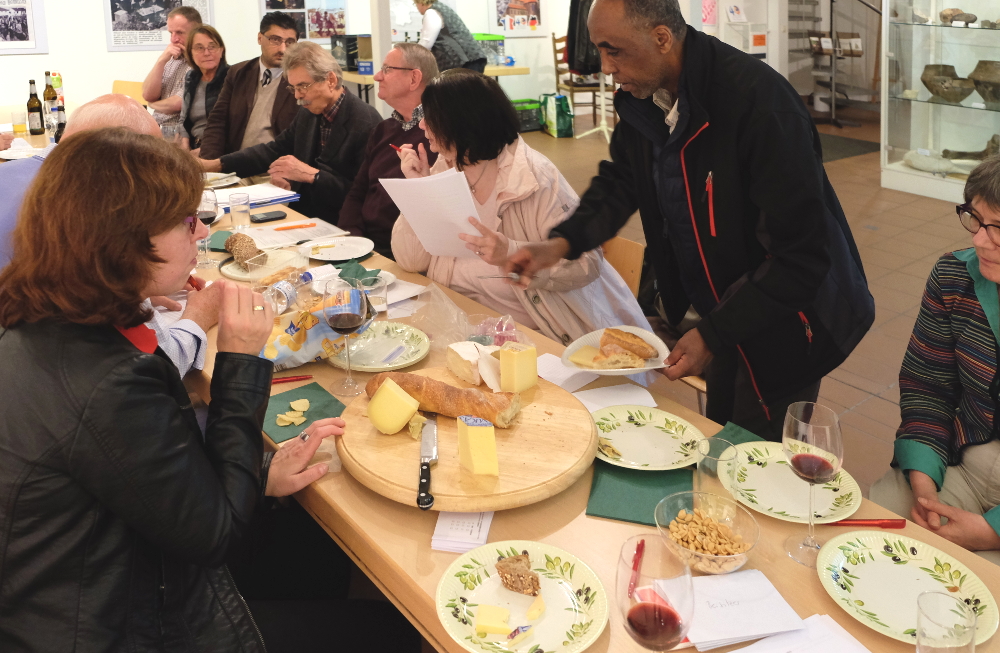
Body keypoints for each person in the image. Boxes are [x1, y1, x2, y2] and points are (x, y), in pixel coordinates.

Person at [0, 127, 325, 649]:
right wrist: (241, 360)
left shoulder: (38, 317)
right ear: (122, 239)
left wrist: (256, 475)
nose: (200, 234)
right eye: (184, 221)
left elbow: (139, 474)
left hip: (82, 584)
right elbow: (219, 536)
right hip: (113, 624)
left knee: (311, 552)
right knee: (348, 591)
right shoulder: (108, 382)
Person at [504, 0, 875, 439]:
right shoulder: (646, 98)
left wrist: (712, 335)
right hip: (723, 307)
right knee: (721, 434)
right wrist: (562, 244)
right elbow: (622, 180)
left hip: (789, 322)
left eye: (613, 50)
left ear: (661, 38)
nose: (605, 67)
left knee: (752, 454)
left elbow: (801, 258)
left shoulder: (758, 106)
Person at [393, 69, 649, 344]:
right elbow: (410, 261)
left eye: (431, 119)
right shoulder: (447, 164)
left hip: (528, 334)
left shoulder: (533, 177)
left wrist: (511, 253)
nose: (422, 127)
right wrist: (419, 189)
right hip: (459, 321)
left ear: (460, 122)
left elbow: (587, 263)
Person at [0, 95, 218, 376]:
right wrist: (201, 313)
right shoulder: (90, 213)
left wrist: (139, 289)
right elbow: (153, 368)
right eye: (149, 158)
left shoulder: (25, 181)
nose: (200, 231)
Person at [870, 157, 1000, 566]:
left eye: (998, 229)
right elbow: (929, 387)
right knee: (875, 535)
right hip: (967, 457)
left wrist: (991, 531)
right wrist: (923, 486)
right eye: (975, 220)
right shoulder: (954, 276)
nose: (980, 241)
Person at [200, 42, 381, 225]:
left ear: (331, 80)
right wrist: (217, 165)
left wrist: (312, 175)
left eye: (303, 86)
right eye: (293, 88)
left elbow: (366, 195)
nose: (297, 96)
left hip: (341, 224)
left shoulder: (366, 123)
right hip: (303, 216)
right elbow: (274, 150)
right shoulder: (309, 112)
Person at [338, 42, 438, 259]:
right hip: (363, 247)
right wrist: (352, 240)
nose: (377, 77)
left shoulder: (439, 136)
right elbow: (357, 193)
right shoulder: (383, 129)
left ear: (414, 79)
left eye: (386, 70)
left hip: (406, 253)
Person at [199, 11, 300, 160]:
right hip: (235, 164)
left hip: (278, 168)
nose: (283, 49)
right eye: (275, 40)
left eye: (290, 42)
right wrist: (209, 165)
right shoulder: (238, 72)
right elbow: (218, 121)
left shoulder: (301, 80)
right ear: (260, 38)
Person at [142, 6, 202, 127]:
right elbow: (148, 94)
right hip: (157, 126)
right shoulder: (171, 57)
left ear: (197, 32)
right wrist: (161, 61)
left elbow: (177, 104)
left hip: (180, 130)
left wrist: (151, 104)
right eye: (171, 33)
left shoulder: (203, 62)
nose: (173, 39)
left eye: (180, 33)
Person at [179, 24, 230, 152]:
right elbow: (183, 118)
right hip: (194, 147)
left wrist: (205, 150)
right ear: (190, 52)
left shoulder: (232, 77)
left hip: (220, 149)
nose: (206, 53)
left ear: (221, 50)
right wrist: (185, 146)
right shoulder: (191, 77)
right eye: (199, 48)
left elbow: (233, 125)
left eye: (212, 47)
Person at [414, 0, 487, 73]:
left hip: (463, 62)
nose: (417, 7)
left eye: (415, 4)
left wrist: (411, 57)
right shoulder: (442, 8)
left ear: (421, 2)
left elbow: (426, 42)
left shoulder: (432, 12)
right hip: (472, 59)